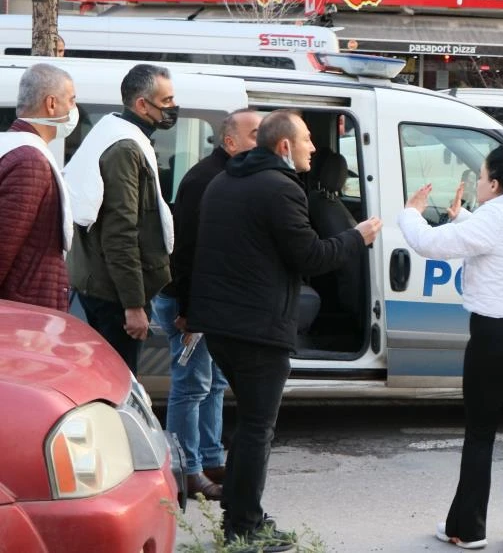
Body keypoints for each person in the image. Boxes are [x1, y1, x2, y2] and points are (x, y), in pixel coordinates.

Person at [186, 110, 382, 550]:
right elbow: (311, 257)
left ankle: (239, 515)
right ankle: (246, 528)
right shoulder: (280, 189)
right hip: (257, 329)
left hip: (221, 326)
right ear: (284, 147)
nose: (315, 147)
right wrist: (358, 236)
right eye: (308, 139)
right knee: (258, 428)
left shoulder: (224, 180)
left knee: (249, 426)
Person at [398, 145, 503, 553]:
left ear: (495, 183)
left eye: (481, 176)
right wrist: (463, 217)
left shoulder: (495, 216)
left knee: (479, 435)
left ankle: (468, 529)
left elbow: (428, 244)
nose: (476, 182)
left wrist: (411, 211)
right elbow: (499, 243)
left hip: (496, 340)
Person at [151, 108, 262, 502]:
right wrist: (189, 310)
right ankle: (187, 470)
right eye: (255, 136)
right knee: (191, 386)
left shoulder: (229, 175)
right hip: (190, 300)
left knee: (212, 383)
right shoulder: (205, 180)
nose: (262, 143)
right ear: (230, 143)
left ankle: (211, 459)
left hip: (207, 301)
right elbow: (186, 252)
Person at [64, 64, 177, 373]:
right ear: (142, 104)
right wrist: (133, 306)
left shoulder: (116, 133)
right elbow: (121, 234)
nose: (172, 108)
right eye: (166, 101)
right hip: (113, 296)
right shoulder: (125, 148)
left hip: (102, 285)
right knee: (118, 385)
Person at [0, 64, 77, 311]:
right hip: (25, 314)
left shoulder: (14, 149)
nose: (74, 109)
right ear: (51, 103)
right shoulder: (30, 163)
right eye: (71, 100)